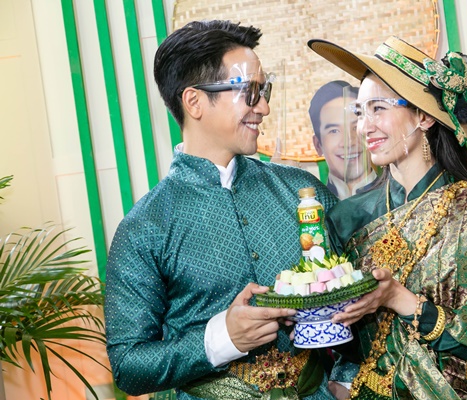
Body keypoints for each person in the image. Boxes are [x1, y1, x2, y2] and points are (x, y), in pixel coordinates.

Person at [104, 20, 337, 400]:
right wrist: (221, 339)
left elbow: (357, 293)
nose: (264, 107)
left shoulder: (300, 192)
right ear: (194, 102)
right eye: (250, 93)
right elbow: (128, 365)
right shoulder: (146, 227)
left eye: (265, 91)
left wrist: (345, 377)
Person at [307, 36, 467, 399]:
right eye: (359, 112)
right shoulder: (347, 218)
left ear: (423, 116)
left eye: (378, 109)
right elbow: (347, 341)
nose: (364, 127)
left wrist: (399, 298)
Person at [309, 81, 377, 199]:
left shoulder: (397, 195)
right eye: (334, 131)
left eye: (356, 127)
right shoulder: (314, 205)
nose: (349, 143)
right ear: (318, 145)